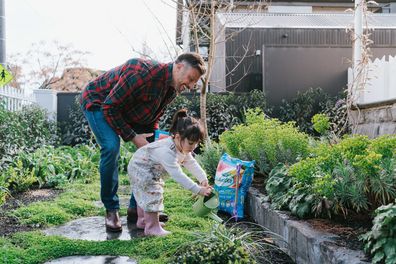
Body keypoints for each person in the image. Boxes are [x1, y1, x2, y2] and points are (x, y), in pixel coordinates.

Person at [80, 53, 206, 232]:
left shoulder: (172, 88)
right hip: (99, 102)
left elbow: (152, 115)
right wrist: (133, 136)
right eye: (191, 79)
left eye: (195, 82)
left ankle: (138, 209)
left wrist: (153, 141)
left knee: (150, 154)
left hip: (126, 110)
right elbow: (110, 107)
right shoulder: (140, 71)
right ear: (178, 67)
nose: (192, 85)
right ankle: (111, 209)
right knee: (111, 147)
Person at [128, 109, 212, 236]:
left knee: (143, 194)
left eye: (196, 143)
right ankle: (152, 228)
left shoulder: (182, 147)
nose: (193, 147)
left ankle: (143, 221)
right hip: (141, 167)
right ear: (178, 137)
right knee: (152, 192)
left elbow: (191, 163)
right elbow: (178, 175)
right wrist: (198, 190)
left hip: (143, 166)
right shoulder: (167, 151)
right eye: (191, 143)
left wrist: (202, 178)